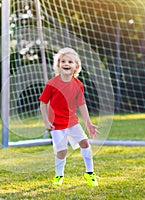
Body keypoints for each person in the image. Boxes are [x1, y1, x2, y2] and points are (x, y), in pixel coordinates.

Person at [39, 47, 99, 187]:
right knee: (62, 150)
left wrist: (89, 124)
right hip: (56, 124)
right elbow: (43, 103)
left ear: (76, 66)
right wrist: (46, 121)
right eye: (63, 61)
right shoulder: (52, 84)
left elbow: (82, 105)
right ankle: (59, 176)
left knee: (85, 143)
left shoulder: (78, 85)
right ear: (58, 65)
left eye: (70, 62)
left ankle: (89, 173)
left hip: (72, 123)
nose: (66, 64)